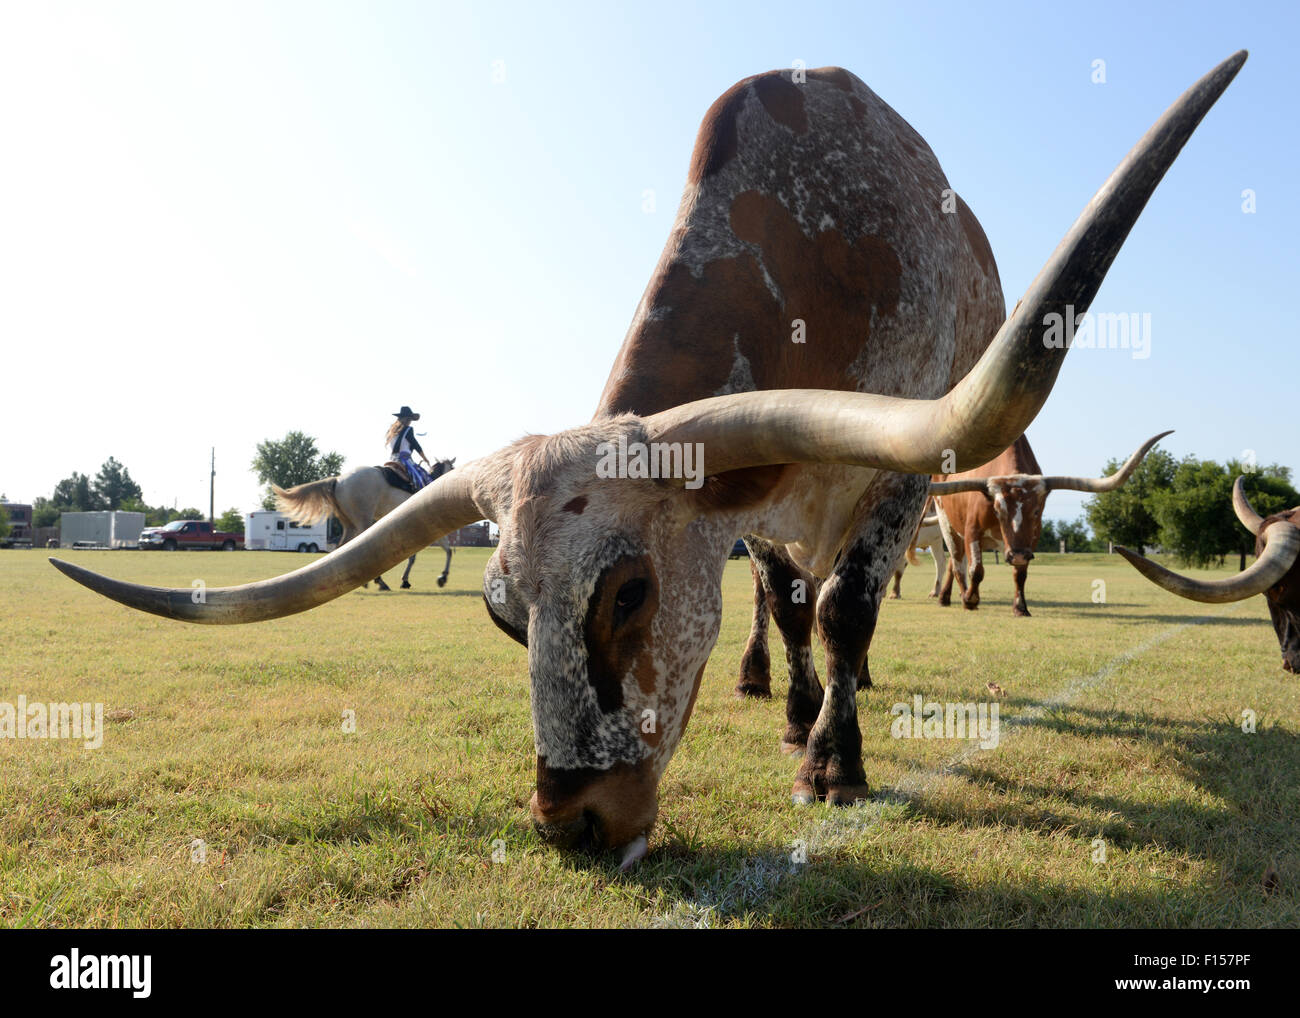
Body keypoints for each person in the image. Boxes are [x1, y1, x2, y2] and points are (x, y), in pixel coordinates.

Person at [386, 406, 434, 490]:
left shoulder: (391, 431)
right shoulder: (408, 430)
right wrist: (425, 459)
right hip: (404, 460)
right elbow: (416, 445)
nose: (410, 422)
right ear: (406, 419)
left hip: (392, 459)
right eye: (409, 419)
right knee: (424, 478)